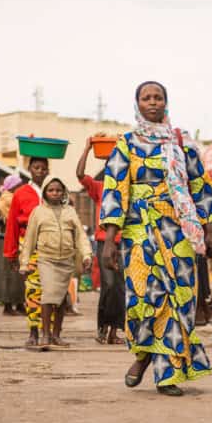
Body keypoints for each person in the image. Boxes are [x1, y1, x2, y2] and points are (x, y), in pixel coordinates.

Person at [100, 81, 212, 397]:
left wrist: (208, 235)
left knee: (178, 298)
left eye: (158, 97)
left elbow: (199, 187)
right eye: (146, 98)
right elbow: (115, 188)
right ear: (137, 104)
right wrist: (109, 239)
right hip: (139, 230)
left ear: (166, 103)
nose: (153, 102)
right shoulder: (126, 144)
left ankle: (167, 374)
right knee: (144, 299)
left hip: (178, 231)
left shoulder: (182, 145)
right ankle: (143, 355)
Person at [18, 177, 92, 349]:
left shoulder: (70, 212)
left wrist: (87, 255)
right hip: (46, 259)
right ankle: (45, 334)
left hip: (66, 261)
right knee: (49, 295)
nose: (55, 193)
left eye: (58, 190)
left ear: (63, 192)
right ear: (45, 192)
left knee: (61, 299)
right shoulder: (38, 212)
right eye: (51, 190)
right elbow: (29, 239)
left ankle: (56, 335)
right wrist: (24, 263)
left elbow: (80, 235)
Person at [76, 137, 124, 344]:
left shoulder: (126, 189)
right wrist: (87, 148)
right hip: (105, 243)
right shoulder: (99, 187)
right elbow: (79, 174)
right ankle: (103, 328)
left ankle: (113, 331)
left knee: (119, 288)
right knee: (109, 285)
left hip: (125, 243)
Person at [4, 157, 50, 347]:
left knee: (51, 290)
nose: (39, 171)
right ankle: (33, 331)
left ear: (48, 170)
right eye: (36, 167)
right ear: (29, 169)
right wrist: (11, 253)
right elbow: (12, 224)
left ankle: (50, 332)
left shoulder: (54, 190)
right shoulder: (21, 193)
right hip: (28, 246)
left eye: (43, 168)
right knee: (32, 290)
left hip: (52, 247)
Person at [0, 175, 25, 315]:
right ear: (13, 187)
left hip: (15, 239)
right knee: (7, 273)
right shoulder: (4, 203)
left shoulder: (11, 200)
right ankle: (8, 306)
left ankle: (20, 303)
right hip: (6, 241)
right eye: (19, 185)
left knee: (19, 272)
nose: (21, 188)